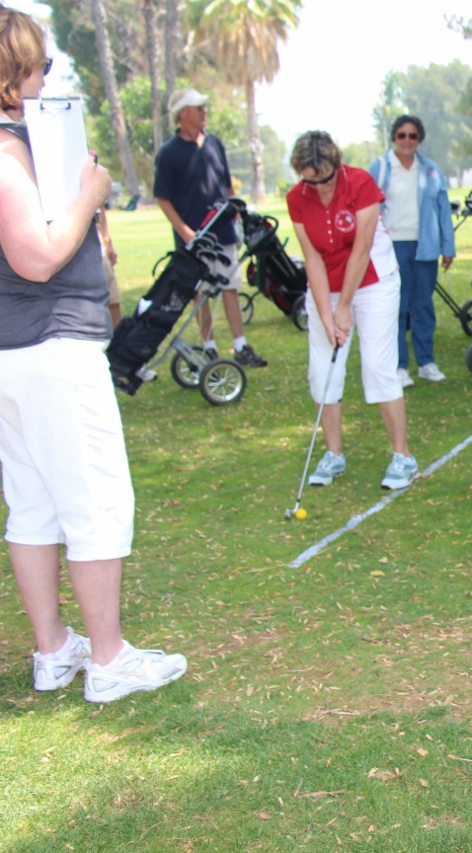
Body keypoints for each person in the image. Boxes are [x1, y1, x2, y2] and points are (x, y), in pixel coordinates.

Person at [0, 6, 187, 702]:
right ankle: (107, 659)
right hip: (49, 344)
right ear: (12, 72)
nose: (45, 77)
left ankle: (55, 649)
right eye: (37, 65)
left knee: (36, 503)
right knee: (96, 500)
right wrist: (90, 195)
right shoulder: (6, 151)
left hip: (18, 349)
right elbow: (37, 254)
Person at [286, 131, 417, 490]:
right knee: (322, 369)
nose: (321, 188)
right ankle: (334, 454)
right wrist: (328, 316)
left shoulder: (360, 183)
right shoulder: (296, 198)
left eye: (326, 179)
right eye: (311, 182)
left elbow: (360, 252)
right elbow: (311, 258)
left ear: (336, 166)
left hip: (374, 280)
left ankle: (403, 457)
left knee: (377, 367)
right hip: (325, 286)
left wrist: (344, 308)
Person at [153, 88, 268, 368]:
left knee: (230, 287)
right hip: (195, 239)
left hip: (224, 232)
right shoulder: (169, 152)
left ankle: (241, 346)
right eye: (198, 107)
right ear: (183, 114)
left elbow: (227, 185)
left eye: (205, 106)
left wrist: (238, 215)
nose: (205, 111)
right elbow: (163, 198)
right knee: (201, 292)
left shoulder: (214, 143)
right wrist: (185, 233)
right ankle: (209, 347)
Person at [367, 115, 455, 387]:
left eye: (413, 135)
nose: (407, 140)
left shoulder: (430, 170)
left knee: (423, 306)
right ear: (394, 137)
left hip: (425, 246)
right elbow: (366, 210)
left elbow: (443, 210)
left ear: (420, 139)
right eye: (402, 135)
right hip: (391, 246)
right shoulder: (381, 168)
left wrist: (447, 247)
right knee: (397, 307)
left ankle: (426, 362)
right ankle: (399, 366)